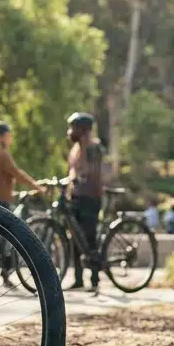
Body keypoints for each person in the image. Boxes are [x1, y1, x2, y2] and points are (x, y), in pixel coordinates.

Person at [65, 112, 106, 292]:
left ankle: (95, 279)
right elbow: (72, 172)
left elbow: (95, 172)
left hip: (90, 198)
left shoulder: (93, 147)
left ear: (83, 129)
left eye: (73, 127)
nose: (70, 132)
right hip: (76, 197)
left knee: (89, 237)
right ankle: (78, 278)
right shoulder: (75, 149)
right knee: (74, 238)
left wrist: (83, 178)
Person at [0, 121, 41, 210]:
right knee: (16, 223)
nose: (10, 139)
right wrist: (36, 186)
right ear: (0, 137)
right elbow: (16, 173)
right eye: (8, 136)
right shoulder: (0, 153)